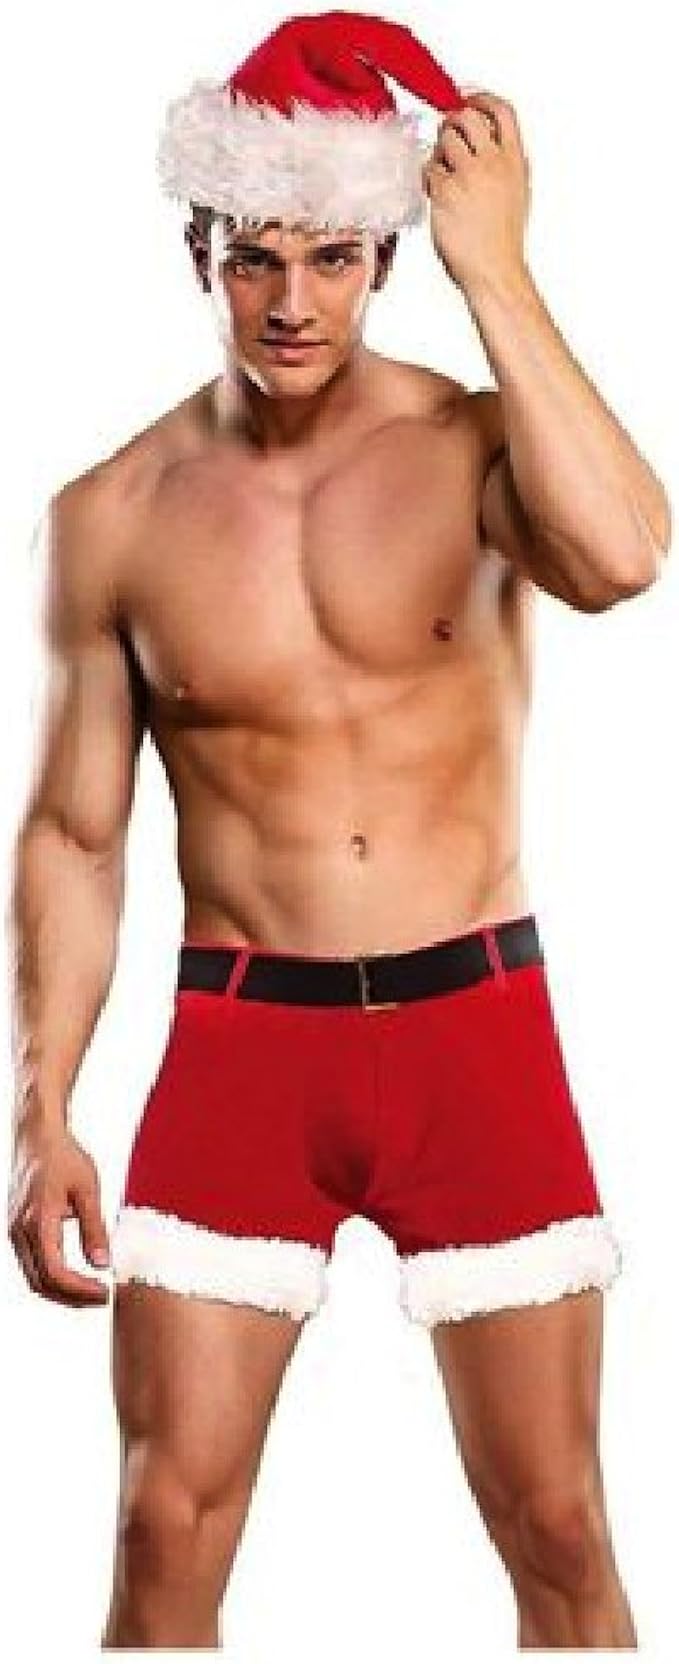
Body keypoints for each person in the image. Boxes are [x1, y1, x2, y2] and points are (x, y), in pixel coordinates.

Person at [7, 10, 669, 1651]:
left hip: (474, 1028)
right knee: (164, 1524)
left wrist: (500, 271)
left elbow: (623, 557)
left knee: (560, 1525)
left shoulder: (473, 445)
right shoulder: (111, 515)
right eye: (254, 258)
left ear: (383, 258)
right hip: (244, 1045)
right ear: (200, 255)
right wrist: (42, 1108)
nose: (291, 302)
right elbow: (76, 835)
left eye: (330, 258)